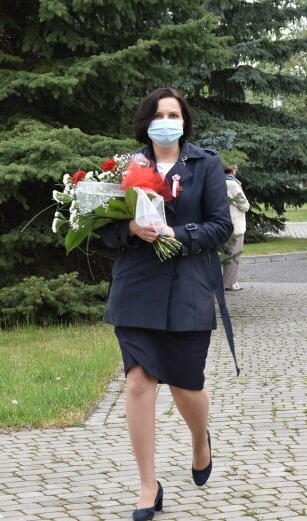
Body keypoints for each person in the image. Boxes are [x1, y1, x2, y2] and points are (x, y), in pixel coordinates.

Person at [99, 88, 236, 521]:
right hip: (136, 286)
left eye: (173, 114)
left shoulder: (205, 164)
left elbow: (221, 227)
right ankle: (147, 486)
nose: (166, 120)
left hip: (189, 286)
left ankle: (200, 441)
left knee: (185, 385)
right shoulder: (128, 166)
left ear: (184, 121)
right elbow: (102, 230)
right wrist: (131, 231)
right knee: (139, 381)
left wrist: (181, 236)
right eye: (158, 114)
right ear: (146, 122)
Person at [223, 165, 250, 290]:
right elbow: (243, 205)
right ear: (232, 170)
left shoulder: (217, 180)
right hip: (235, 224)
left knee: (224, 254)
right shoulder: (233, 184)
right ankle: (230, 283)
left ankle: (222, 282)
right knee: (233, 255)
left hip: (222, 224)